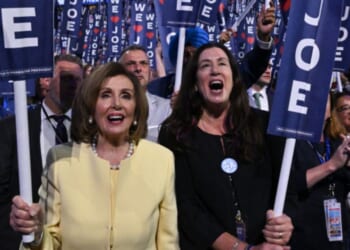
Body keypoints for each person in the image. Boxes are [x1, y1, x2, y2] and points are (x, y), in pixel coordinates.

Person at [9, 62, 179, 250]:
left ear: (136, 109)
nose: (116, 104)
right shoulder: (61, 161)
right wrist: (36, 232)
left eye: (126, 96)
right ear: (91, 108)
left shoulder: (161, 160)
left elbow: (168, 244)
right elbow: (49, 243)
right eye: (105, 95)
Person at [158, 42, 293, 250]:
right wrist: (244, 249)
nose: (214, 70)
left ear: (233, 78)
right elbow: (186, 208)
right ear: (195, 82)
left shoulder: (263, 125)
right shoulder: (175, 132)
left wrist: (283, 223)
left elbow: (285, 187)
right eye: (205, 66)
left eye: (222, 63)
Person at [0, 54, 83, 250]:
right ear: (46, 80)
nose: (72, 85)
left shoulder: (92, 129)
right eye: (65, 78)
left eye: (77, 79)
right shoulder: (11, 128)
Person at [148, 2, 276, 100]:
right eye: (186, 54)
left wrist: (263, 37)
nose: (191, 59)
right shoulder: (156, 90)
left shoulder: (222, 85)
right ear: (177, 57)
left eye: (196, 53)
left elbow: (251, 67)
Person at [286, 92, 350, 250]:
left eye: (323, 100)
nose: (318, 104)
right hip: (304, 235)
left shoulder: (337, 141)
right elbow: (289, 184)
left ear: (331, 110)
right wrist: (331, 165)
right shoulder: (289, 142)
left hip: (339, 234)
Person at [118, 45, 171, 142]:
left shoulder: (167, 108)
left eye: (143, 63)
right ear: (120, 71)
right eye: (131, 63)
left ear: (150, 71)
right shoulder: (109, 108)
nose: (138, 68)